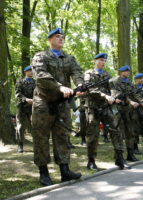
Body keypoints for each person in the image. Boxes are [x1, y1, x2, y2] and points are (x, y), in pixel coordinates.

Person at [31, 28, 83, 186]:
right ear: (49, 40)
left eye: (62, 37)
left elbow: (77, 72)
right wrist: (60, 86)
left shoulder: (69, 58)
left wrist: (80, 86)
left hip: (62, 103)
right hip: (43, 103)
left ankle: (65, 171)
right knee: (41, 138)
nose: (61, 39)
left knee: (62, 136)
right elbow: (40, 76)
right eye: (57, 37)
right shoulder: (41, 56)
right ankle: (44, 173)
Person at [84, 53, 130, 170]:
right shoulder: (89, 73)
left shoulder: (107, 75)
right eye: (100, 60)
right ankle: (91, 161)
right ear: (95, 61)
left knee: (116, 131)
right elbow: (90, 89)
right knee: (93, 135)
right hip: (93, 108)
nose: (103, 62)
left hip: (105, 108)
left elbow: (112, 89)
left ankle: (119, 158)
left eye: (104, 60)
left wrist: (115, 97)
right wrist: (105, 96)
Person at [109, 65, 143, 162]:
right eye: (126, 71)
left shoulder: (130, 83)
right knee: (118, 132)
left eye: (128, 71)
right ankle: (118, 155)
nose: (128, 73)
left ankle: (130, 154)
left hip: (129, 111)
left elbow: (135, 94)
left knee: (130, 132)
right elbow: (116, 94)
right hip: (118, 110)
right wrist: (130, 101)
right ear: (121, 72)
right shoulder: (114, 81)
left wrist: (141, 101)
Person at [15, 66, 35, 153]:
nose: (31, 72)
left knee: (35, 126)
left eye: (32, 71)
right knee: (21, 127)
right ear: (25, 72)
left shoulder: (36, 82)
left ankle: (37, 145)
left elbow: (39, 93)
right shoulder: (20, 81)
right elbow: (18, 93)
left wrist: (35, 100)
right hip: (22, 107)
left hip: (33, 107)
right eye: (29, 71)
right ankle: (20, 145)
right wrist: (26, 99)